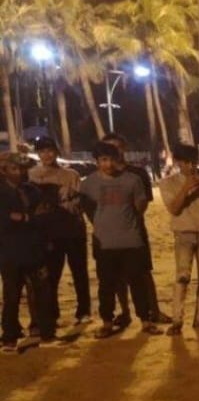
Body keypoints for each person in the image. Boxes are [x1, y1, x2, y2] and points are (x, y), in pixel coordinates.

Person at [81, 142, 158, 337]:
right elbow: (89, 210)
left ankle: (146, 320)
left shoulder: (132, 180)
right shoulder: (88, 183)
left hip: (131, 240)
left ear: (118, 160)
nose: (108, 164)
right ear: (97, 161)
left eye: (112, 159)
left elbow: (140, 207)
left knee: (137, 283)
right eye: (103, 160)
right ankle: (107, 322)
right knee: (106, 285)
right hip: (104, 242)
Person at [101, 133, 170, 326]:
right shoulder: (99, 175)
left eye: (116, 147)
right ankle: (125, 312)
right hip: (109, 233)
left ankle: (153, 310)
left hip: (134, 229)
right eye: (108, 148)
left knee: (143, 272)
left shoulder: (138, 174)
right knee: (116, 276)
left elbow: (143, 202)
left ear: (124, 149)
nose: (113, 152)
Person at [27, 138, 91, 326]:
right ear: (37, 154)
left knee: (79, 272)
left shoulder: (71, 174)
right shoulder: (31, 175)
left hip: (73, 230)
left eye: (50, 151)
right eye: (42, 151)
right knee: (51, 276)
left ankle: (83, 310)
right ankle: (51, 314)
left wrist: (67, 203)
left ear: (57, 152)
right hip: (48, 233)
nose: (47, 155)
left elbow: (79, 202)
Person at [157, 144, 199, 335]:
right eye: (187, 162)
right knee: (182, 277)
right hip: (184, 234)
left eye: (194, 162)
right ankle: (177, 320)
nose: (191, 167)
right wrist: (186, 188)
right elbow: (174, 209)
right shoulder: (168, 183)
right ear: (178, 162)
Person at [1, 153, 52, 351]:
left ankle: (43, 330)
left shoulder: (31, 190)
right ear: (4, 170)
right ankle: (9, 335)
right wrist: (25, 218)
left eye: (22, 169)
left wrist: (22, 218)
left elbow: (43, 214)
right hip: (9, 252)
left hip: (33, 248)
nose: (20, 173)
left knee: (40, 292)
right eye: (15, 169)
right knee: (12, 295)